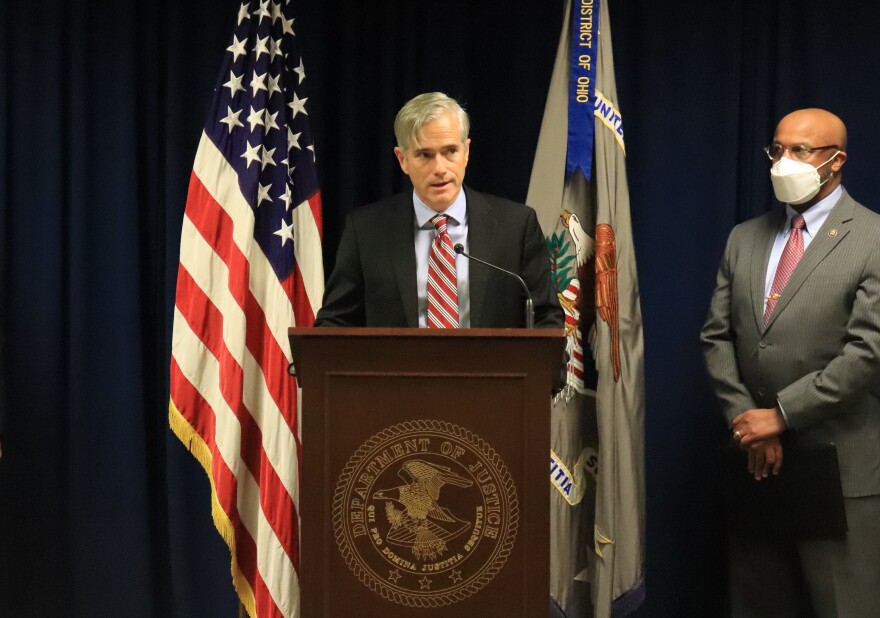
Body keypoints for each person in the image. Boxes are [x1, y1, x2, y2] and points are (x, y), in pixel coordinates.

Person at [701, 108, 880, 617]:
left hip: (841, 470)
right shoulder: (745, 237)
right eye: (777, 149)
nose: (783, 161)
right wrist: (749, 425)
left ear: (837, 161)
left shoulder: (873, 239)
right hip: (758, 464)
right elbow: (717, 337)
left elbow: (867, 352)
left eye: (800, 151)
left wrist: (780, 415)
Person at [315, 92, 563, 329]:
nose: (440, 168)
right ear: (402, 160)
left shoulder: (516, 226)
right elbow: (334, 324)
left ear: (466, 152)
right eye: (425, 155)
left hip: (493, 373)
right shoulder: (366, 231)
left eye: (450, 151)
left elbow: (546, 319)